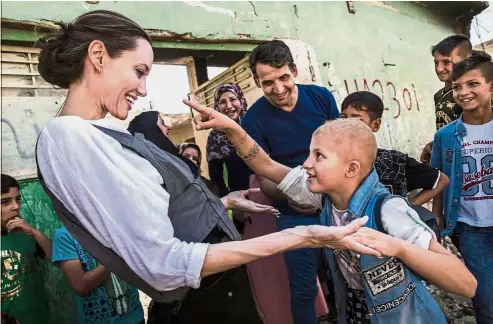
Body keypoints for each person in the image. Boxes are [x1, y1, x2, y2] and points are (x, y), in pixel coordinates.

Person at [35, 10, 380, 324]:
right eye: (139, 72)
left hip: (219, 294)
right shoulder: (68, 138)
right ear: (97, 56)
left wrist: (223, 202)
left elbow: (165, 213)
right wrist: (298, 236)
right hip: (201, 302)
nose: (142, 89)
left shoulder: (100, 134)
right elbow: (163, 263)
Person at [185, 99, 477, 324]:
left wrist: (397, 247)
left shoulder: (389, 211)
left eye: (319, 156)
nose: (306, 164)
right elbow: (266, 166)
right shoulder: (322, 197)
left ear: (351, 169)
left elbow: (466, 283)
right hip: (354, 309)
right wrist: (234, 130)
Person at [240, 40, 340, 324]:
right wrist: (295, 196)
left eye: (284, 78)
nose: (279, 89)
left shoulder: (321, 97)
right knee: (303, 287)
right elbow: (266, 180)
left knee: (349, 277)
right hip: (292, 214)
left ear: (294, 70)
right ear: (257, 82)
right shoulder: (253, 120)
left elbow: (344, 150)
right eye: (268, 82)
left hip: (337, 205)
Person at [431, 54, 493, 323]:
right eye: (457, 86)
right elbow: (436, 179)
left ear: (491, 86)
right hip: (470, 228)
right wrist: (437, 216)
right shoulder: (445, 136)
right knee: (484, 298)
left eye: (473, 84)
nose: (464, 92)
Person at [340, 91, 449, 206]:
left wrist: (407, 210)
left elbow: (441, 180)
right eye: (343, 117)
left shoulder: (394, 161)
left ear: (375, 125)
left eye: (357, 119)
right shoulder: (335, 160)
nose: (348, 124)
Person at [52, 226, 145, 324]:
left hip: (135, 318)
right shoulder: (64, 235)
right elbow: (80, 286)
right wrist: (116, 257)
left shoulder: (115, 224)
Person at [1, 174, 53, 324]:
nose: (16, 206)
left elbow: (58, 259)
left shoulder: (25, 233)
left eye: (17, 199)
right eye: (5, 202)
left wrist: (34, 232)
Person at [207, 83, 252, 197]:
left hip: (267, 189)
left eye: (233, 99)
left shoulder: (254, 124)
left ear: (241, 100)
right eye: (222, 102)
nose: (229, 106)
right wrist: (231, 200)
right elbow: (217, 177)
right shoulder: (215, 136)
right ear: (217, 106)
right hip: (240, 195)